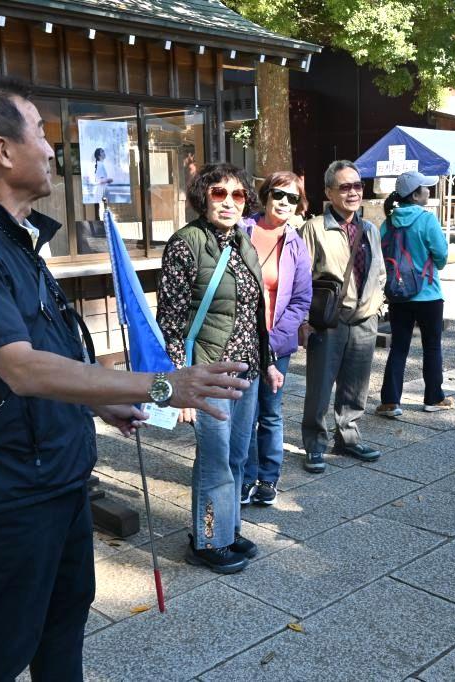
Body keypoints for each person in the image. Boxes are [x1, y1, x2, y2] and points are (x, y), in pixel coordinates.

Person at [0, 76, 251, 680]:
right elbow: (18, 366)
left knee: (64, 618)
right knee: (1, 644)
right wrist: (158, 385)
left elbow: (49, 346)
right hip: (7, 489)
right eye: (41, 133)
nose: (51, 149)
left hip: (57, 472)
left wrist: (98, 405)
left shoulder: (11, 235)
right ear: (2, 149)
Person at [157, 162, 284, 572]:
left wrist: (266, 364)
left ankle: (226, 530)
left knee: (235, 460)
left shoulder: (242, 242)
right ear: (202, 198)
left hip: (244, 371)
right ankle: (208, 539)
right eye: (218, 194)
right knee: (214, 461)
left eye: (237, 195)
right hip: (207, 374)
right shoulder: (185, 243)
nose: (228, 202)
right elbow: (171, 322)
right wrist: (179, 386)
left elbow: (253, 311)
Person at [299, 160, 386, 473]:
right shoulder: (314, 228)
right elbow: (301, 276)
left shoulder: (370, 228)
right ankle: (314, 444)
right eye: (344, 187)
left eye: (357, 186)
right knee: (320, 386)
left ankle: (348, 438)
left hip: (365, 319)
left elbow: (380, 271)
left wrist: (376, 304)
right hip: (329, 320)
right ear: (329, 192)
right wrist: (304, 321)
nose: (353, 192)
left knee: (356, 385)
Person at [240, 172, 312, 507]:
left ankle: (268, 478)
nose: (284, 202)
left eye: (292, 197)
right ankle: (245, 474)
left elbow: (300, 300)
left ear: (299, 204)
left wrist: (276, 339)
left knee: (270, 410)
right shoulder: (241, 232)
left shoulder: (296, 244)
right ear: (266, 196)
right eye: (278, 194)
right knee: (244, 412)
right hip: (239, 339)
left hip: (276, 342)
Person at [375, 170, 453, 417]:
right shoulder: (427, 220)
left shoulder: (387, 222)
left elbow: (380, 257)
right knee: (432, 347)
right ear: (416, 194)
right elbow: (441, 256)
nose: (428, 191)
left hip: (398, 294)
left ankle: (389, 402)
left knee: (399, 346)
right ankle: (433, 398)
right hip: (428, 294)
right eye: (425, 188)